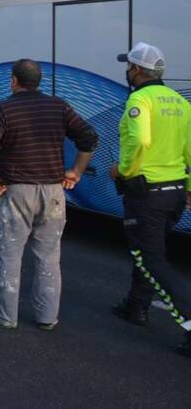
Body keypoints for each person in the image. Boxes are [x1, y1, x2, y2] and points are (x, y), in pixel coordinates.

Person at [0, 59, 98, 330]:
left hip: (17, 192)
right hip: (54, 192)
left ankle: (4, 316)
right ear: (38, 81)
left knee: (8, 254)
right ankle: (47, 317)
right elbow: (89, 137)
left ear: (14, 81)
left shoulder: (4, 109)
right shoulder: (60, 106)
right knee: (49, 256)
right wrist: (76, 171)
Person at [109, 42, 191, 356]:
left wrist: (124, 170)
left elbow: (140, 139)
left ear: (138, 70)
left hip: (147, 193)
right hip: (175, 193)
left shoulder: (140, 99)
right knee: (149, 251)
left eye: (129, 65)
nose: (127, 71)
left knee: (150, 258)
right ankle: (136, 306)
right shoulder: (180, 103)